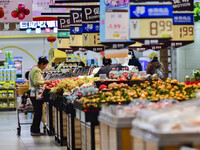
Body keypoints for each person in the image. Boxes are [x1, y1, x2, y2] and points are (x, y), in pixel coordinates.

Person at [29, 56, 51, 136]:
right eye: (45, 65)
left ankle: (35, 129)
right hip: (35, 93)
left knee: (37, 111)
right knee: (38, 112)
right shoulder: (37, 70)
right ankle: (35, 130)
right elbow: (36, 82)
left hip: (33, 93)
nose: (45, 67)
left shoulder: (34, 69)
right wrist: (46, 82)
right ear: (41, 64)